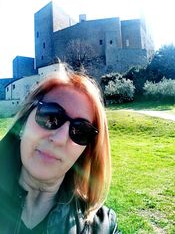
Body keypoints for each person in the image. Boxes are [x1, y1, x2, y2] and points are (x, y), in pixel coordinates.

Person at [0, 64, 121, 233]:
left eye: (80, 131)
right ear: (23, 123)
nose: (59, 139)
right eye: (51, 116)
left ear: (84, 151)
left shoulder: (102, 226)